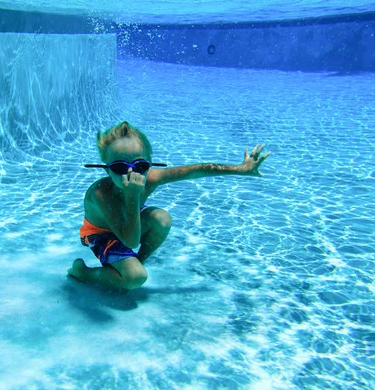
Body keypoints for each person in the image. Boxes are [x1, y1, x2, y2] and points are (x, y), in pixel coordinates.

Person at [68, 121, 270, 290]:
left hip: (128, 223)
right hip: (101, 234)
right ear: (106, 170)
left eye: (140, 166)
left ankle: (135, 263)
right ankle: (84, 272)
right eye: (120, 167)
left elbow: (195, 171)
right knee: (136, 279)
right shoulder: (101, 194)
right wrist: (132, 196)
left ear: (149, 165)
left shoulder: (152, 178)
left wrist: (240, 169)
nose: (131, 174)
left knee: (162, 219)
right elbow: (130, 240)